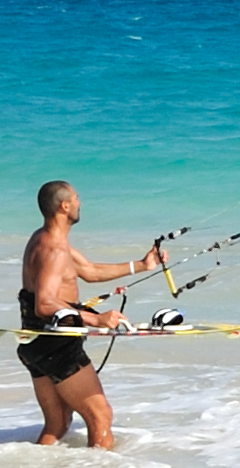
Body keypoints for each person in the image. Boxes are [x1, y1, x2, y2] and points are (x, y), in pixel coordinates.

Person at [18, 180, 166, 449]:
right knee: (100, 416)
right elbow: (45, 303)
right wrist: (96, 319)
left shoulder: (44, 238)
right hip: (56, 346)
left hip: (35, 345)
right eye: (76, 198)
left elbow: (89, 271)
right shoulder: (53, 250)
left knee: (58, 423)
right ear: (65, 206)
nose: (80, 202)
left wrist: (143, 265)